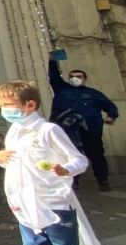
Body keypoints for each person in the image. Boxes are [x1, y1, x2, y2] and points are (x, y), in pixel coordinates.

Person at [0, 80, 120, 245]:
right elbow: (17, 162)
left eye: (8, 105)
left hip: (53, 204)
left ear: (29, 105)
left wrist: (65, 169)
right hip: (26, 206)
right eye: (1, 106)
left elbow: (78, 160)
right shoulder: (15, 131)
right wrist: (0, 157)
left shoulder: (49, 130)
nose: (4, 110)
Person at [48, 53, 118, 191]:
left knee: (96, 155)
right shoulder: (62, 89)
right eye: (72, 76)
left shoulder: (94, 94)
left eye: (78, 76)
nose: (75, 78)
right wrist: (52, 61)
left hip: (91, 130)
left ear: (84, 79)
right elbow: (54, 76)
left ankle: (102, 180)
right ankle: (72, 181)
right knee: (69, 155)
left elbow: (110, 106)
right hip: (67, 131)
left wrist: (111, 116)